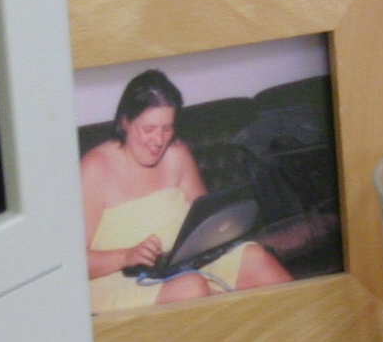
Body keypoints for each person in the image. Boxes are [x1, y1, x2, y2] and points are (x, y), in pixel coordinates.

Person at [78, 68, 292, 310]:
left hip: (181, 265)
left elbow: (207, 220)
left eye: (167, 128)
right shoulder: (95, 167)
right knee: (192, 287)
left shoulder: (177, 153)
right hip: (119, 278)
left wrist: (223, 228)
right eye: (148, 129)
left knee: (253, 256)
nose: (159, 141)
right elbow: (74, 262)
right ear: (125, 122)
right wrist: (126, 256)